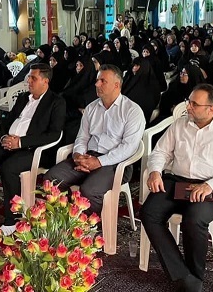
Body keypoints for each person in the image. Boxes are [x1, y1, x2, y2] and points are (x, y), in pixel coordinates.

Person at [141, 84, 213, 292]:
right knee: (149, 212)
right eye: (188, 102)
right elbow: (160, 152)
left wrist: (210, 185)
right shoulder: (180, 124)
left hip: (209, 187)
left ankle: (194, 277)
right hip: (177, 181)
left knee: (193, 219)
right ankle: (185, 278)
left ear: (211, 109)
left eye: (194, 104)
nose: (188, 107)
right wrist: (155, 171)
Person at [0, 63, 66, 233]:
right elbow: (6, 121)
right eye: (29, 77)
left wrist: (21, 142)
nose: (29, 81)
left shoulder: (56, 102)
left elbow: (54, 134)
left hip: (32, 149)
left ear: (45, 81)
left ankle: (13, 219)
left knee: (8, 168)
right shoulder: (23, 97)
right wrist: (4, 137)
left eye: (33, 78)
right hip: (8, 143)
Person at [43, 64, 145, 214]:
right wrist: (78, 156)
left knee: (89, 191)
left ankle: (91, 226)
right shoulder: (91, 108)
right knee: (51, 180)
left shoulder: (132, 111)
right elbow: (82, 137)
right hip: (88, 156)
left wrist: (98, 162)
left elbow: (128, 147)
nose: (97, 84)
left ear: (117, 85)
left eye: (103, 81)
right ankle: (66, 219)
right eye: (97, 80)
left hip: (116, 163)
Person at [122, 57, 161, 123]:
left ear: (144, 67)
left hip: (135, 118)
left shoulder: (151, 85)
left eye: (137, 65)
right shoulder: (129, 78)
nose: (134, 68)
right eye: (133, 65)